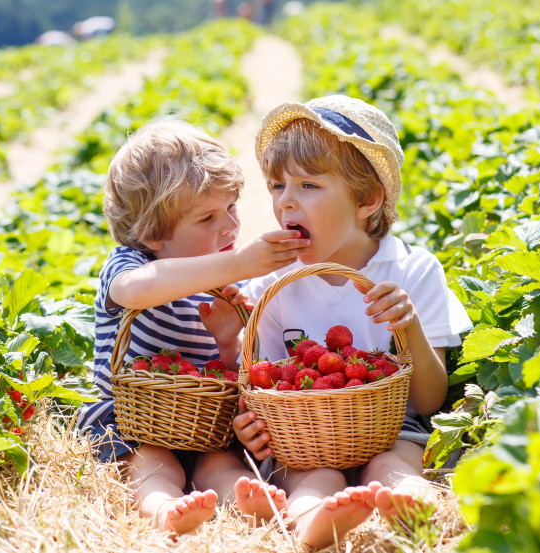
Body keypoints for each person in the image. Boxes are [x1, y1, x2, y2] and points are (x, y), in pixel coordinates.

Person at [232, 95, 473, 549]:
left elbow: (428, 401)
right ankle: (310, 520)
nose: (286, 201)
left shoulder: (412, 272)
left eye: (309, 186)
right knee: (311, 476)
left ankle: (413, 503)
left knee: (397, 463)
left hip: (393, 429)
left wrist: (409, 327)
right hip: (305, 438)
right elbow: (260, 386)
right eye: (277, 185)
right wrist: (251, 421)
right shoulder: (274, 286)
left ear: (367, 199)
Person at [75, 119, 310, 534]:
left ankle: (247, 500)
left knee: (220, 462)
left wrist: (226, 340)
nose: (230, 227)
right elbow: (134, 291)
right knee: (151, 461)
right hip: (133, 421)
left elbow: (226, 372)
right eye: (206, 219)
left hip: (201, 426)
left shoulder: (224, 285)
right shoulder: (131, 265)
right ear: (152, 234)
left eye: (232, 207)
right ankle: (163, 506)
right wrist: (236, 263)